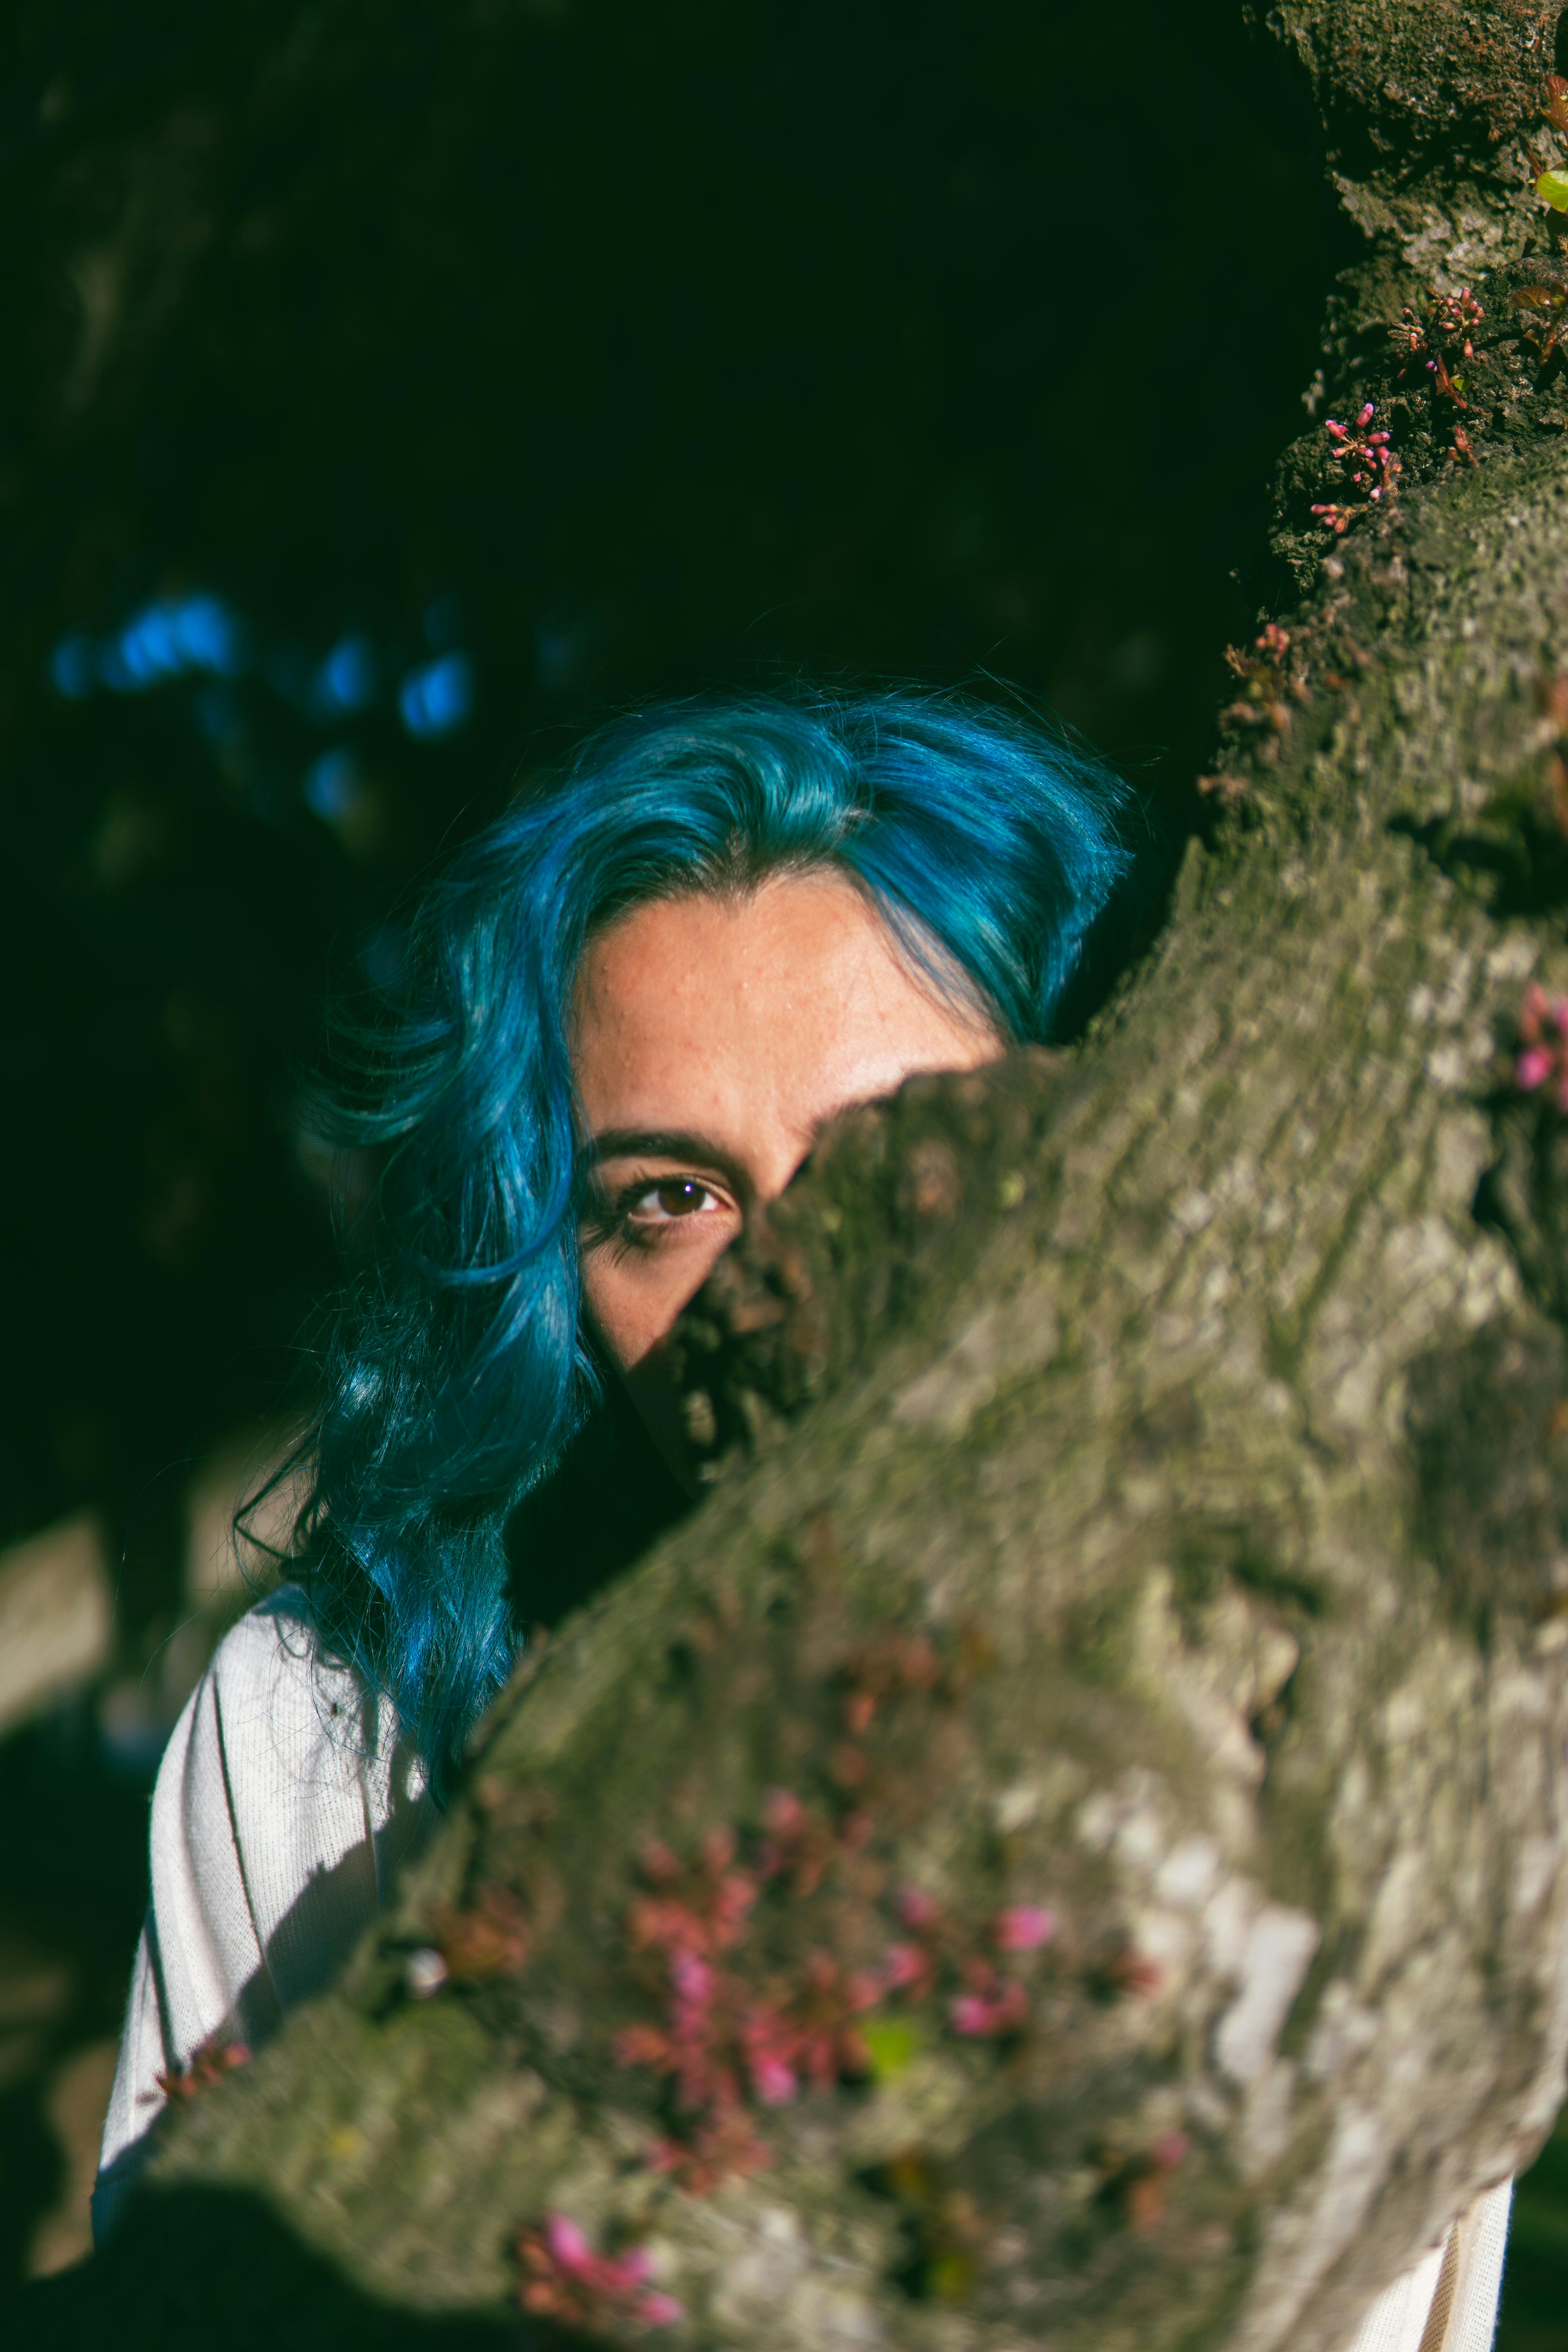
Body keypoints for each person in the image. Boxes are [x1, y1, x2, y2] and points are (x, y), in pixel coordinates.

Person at [94, 690, 1511, 2347]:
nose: (780, 1279)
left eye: (900, 1142)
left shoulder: (1365, 1748)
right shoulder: (326, 1734)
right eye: (668, 1198)